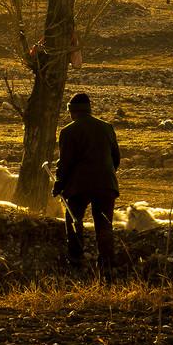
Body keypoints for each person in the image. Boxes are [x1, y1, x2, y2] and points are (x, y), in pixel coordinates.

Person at [53, 91, 119, 277]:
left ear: (72, 111)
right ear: (89, 110)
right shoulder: (107, 127)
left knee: (73, 220)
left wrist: (59, 183)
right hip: (107, 185)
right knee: (104, 225)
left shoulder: (68, 131)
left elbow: (65, 162)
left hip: (78, 186)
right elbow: (116, 158)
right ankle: (107, 266)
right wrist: (105, 175)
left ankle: (75, 261)